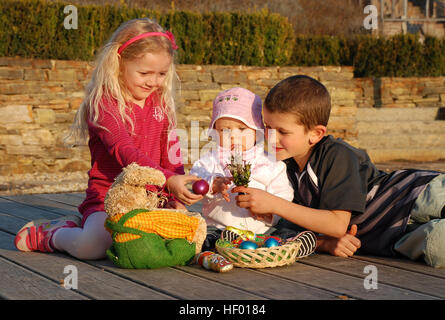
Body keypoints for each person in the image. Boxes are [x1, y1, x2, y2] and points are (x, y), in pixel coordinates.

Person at [14, 18, 203, 260]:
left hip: (153, 198)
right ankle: (50, 234)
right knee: (93, 247)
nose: (154, 81)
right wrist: (168, 180)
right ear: (118, 62)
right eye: (145, 73)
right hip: (109, 198)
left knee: (185, 237)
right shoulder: (103, 104)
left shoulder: (161, 103)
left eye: (161, 74)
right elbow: (124, 152)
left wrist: (175, 193)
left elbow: (171, 151)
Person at [233, 75, 445, 268]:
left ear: (315, 134)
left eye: (282, 131)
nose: (271, 137)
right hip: (389, 235)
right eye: (267, 127)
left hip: (410, 194)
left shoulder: (335, 154)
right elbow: (290, 230)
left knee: (438, 198)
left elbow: (336, 224)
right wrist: (324, 243)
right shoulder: (279, 167)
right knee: (438, 247)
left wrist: (274, 204)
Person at [190, 87, 313, 252]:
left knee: (285, 230)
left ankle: (294, 243)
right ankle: (227, 241)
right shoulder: (210, 160)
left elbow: (284, 194)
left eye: (242, 129)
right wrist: (213, 183)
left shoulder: (270, 163)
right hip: (221, 226)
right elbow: (194, 181)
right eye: (224, 130)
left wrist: (270, 213)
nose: (233, 136)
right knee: (207, 235)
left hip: (262, 229)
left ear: (257, 132)